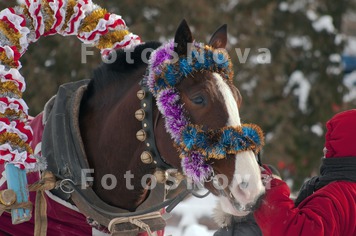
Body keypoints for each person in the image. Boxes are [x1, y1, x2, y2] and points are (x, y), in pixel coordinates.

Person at [254, 109, 356, 236]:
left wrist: (269, 185)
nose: (325, 150)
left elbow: (292, 230)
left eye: (330, 144)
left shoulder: (336, 199)